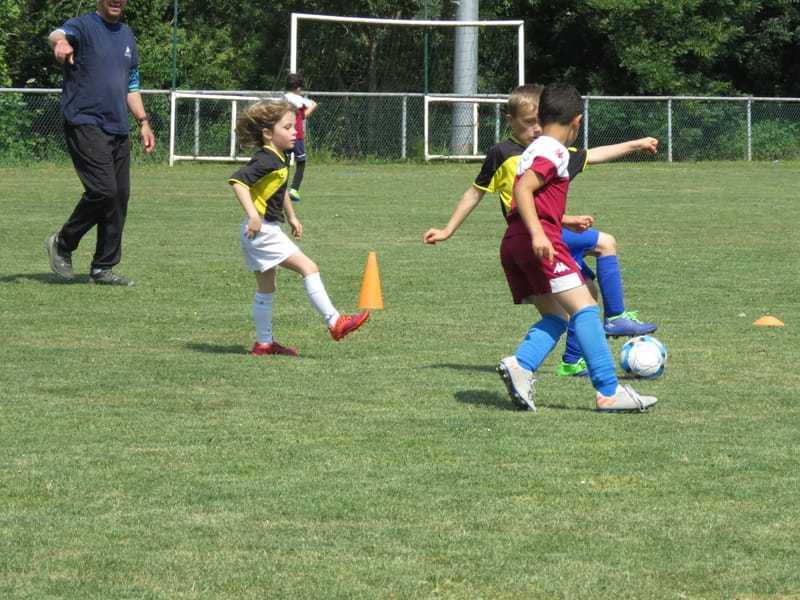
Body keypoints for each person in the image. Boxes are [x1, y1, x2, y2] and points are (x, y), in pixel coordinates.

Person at [423, 84, 657, 379]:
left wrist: (634, 145)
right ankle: (611, 343)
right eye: (528, 122)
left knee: (578, 299)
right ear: (511, 121)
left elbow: (586, 160)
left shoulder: (550, 150)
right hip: (537, 235)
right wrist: (448, 229)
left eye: (539, 121)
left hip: (541, 233)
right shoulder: (514, 153)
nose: (535, 128)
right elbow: (496, 192)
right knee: (595, 271)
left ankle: (558, 361)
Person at [496, 81, 657, 412]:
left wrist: (633, 145)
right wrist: (541, 233)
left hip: (514, 241)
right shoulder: (553, 151)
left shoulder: (535, 149)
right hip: (537, 240)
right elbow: (525, 190)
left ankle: (521, 365)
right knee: (584, 309)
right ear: (577, 121)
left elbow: (545, 186)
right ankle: (609, 392)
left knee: (557, 316)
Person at [228, 99, 369, 356]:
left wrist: (291, 216)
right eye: (288, 127)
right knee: (309, 268)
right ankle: (335, 322)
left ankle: (264, 344)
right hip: (261, 231)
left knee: (267, 288)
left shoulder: (278, 157)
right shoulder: (265, 160)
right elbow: (238, 181)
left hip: (258, 231)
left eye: (295, 127)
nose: (295, 132)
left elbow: (278, 190)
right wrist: (253, 215)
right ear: (268, 134)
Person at [45, 0, 155, 286]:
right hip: (85, 120)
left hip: (118, 125)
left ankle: (102, 268)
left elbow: (132, 84)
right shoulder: (83, 26)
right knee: (104, 190)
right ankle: (62, 242)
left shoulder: (127, 34)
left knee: (119, 196)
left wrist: (143, 121)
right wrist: (60, 43)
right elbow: (57, 33)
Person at [283, 73, 318, 202]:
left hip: (284, 135)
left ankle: (281, 190)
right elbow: (303, 116)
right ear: (298, 89)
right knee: (301, 162)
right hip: (297, 135)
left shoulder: (282, 99)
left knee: (284, 164)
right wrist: (314, 106)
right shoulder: (299, 100)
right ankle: (294, 190)